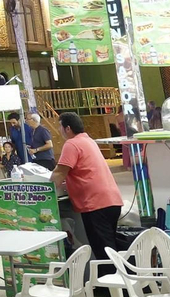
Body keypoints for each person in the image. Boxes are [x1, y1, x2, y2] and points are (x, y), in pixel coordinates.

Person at [51, 112, 123, 265]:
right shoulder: (88, 140)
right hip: (111, 201)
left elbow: (59, 172)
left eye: (60, 126)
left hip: (95, 204)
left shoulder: (72, 144)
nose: (59, 130)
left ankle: (112, 286)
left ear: (68, 128)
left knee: (103, 251)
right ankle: (113, 284)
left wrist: (44, 191)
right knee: (109, 247)